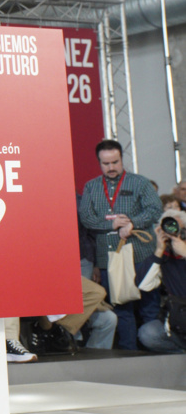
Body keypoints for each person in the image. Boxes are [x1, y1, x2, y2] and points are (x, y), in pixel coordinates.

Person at [77, 139, 162, 349]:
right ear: (99, 163)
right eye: (106, 163)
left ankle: (156, 352)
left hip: (141, 255)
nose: (111, 167)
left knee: (149, 307)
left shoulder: (139, 182)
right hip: (110, 258)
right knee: (121, 310)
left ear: (121, 159)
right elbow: (86, 218)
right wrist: (111, 224)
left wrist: (134, 222)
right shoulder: (91, 186)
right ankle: (128, 355)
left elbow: (155, 209)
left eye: (115, 162)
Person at [138, 208, 186, 353]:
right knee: (148, 333)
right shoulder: (164, 257)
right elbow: (144, 285)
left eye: (177, 228)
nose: (173, 233)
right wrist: (158, 251)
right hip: (179, 321)